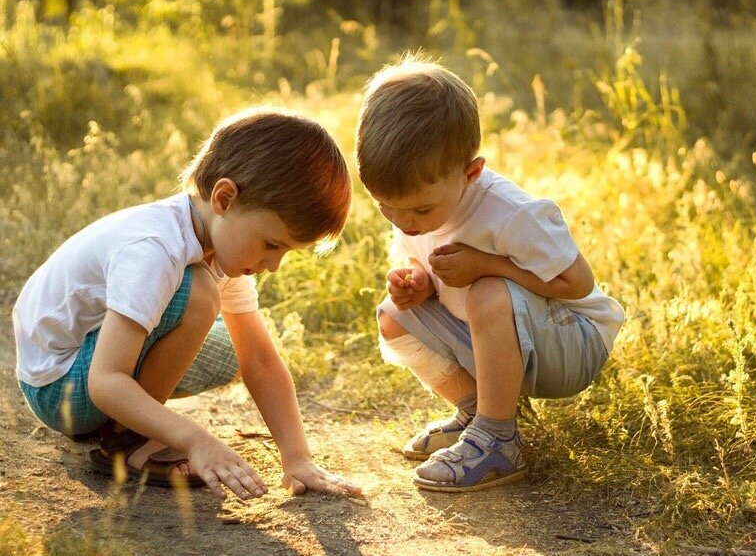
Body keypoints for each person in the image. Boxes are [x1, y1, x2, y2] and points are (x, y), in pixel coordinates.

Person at [14, 107, 362, 501]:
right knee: (198, 296)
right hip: (59, 385)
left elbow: (260, 361)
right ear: (225, 198)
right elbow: (105, 382)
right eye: (272, 245)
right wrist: (195, 438)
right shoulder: (155, 250)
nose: (274, 266)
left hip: (90, 365)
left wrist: (297, 458)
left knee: (236, 348)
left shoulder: (220, 245)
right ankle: (129, 439)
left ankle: (134, 422)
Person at [355, 57, 625, 492]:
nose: (403, 220)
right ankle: (476, 414)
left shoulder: (510, 213)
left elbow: (578, 284)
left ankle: (498, 440)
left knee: (487, 291)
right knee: (392, 315)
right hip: (498, 339)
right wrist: (416, 281)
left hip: (572, 341)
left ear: (471, 173)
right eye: (385, 205)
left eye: (420, 210)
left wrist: (486, 265)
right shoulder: (415, 202)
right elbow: (413, 255)